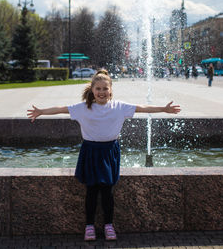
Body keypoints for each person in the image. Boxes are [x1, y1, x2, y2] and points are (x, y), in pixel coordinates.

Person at [27, 69, 181, 241]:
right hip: (91, 151)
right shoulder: (83, 108)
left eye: (105, 89)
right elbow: (61, 109)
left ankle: (108, 225)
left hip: (109, 152)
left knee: (107, 191)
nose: (101, 92)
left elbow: (142, 107)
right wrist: (41, 111)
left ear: (110, 90)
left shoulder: (119, 107)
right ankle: (89, 226)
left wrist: (164, 109)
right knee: (91, 190)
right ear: (92, 90)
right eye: (98, 89)